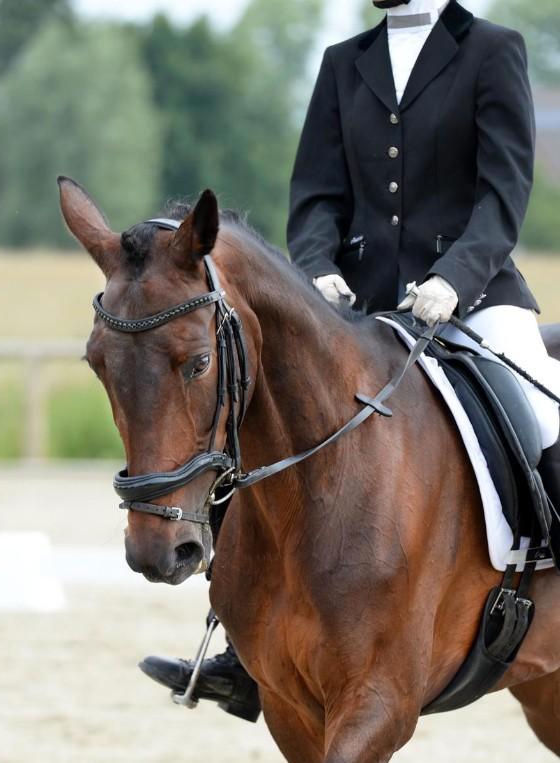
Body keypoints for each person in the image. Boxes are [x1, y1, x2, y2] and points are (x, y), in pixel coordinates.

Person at [140, 0, 560, 719]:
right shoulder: (344, 64)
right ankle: (246, 652)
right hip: (357, 309)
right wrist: (316, 268)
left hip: (476, 296)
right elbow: (315, 195)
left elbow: (503, 193)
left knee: (543, 417)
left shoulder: (494, 50)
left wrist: (454, 281)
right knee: (263, 433)